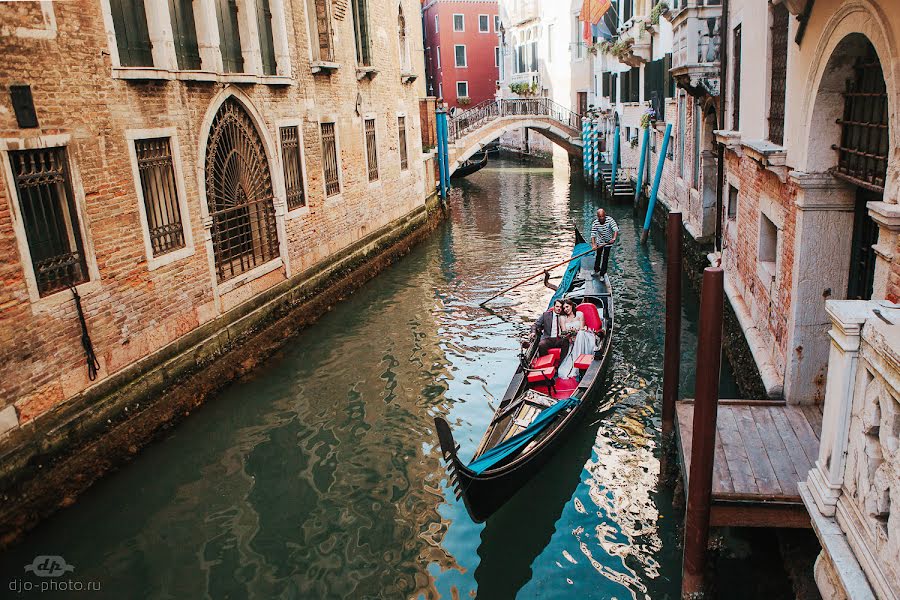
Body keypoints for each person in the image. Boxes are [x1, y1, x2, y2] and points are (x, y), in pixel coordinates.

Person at [556, 299, 599, 378]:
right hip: (571, 339)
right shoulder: (562, 318)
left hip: (583, 337)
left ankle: (580, 359)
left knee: (581, 333)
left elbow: (582, 328)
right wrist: (571, 334)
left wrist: (576, 333)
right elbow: (564, 332)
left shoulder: (580, 314)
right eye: (564, 308)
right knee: (579, 334)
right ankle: (577, 362)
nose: (566, 309)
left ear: (571, 306)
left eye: (567, 307)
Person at [591, 208, 619, 276]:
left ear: (605, 215)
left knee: (605, 258)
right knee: (598, 255)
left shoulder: (610, 220)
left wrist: (614, 238)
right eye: (600, 217)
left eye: (603, 216)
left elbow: (615, 229)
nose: (602, 218)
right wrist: (594, 245)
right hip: (600, 242)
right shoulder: (595, 223)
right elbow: (593, 234)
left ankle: (602, 274)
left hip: (608, 242)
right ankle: (596, 269)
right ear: (598, 217)